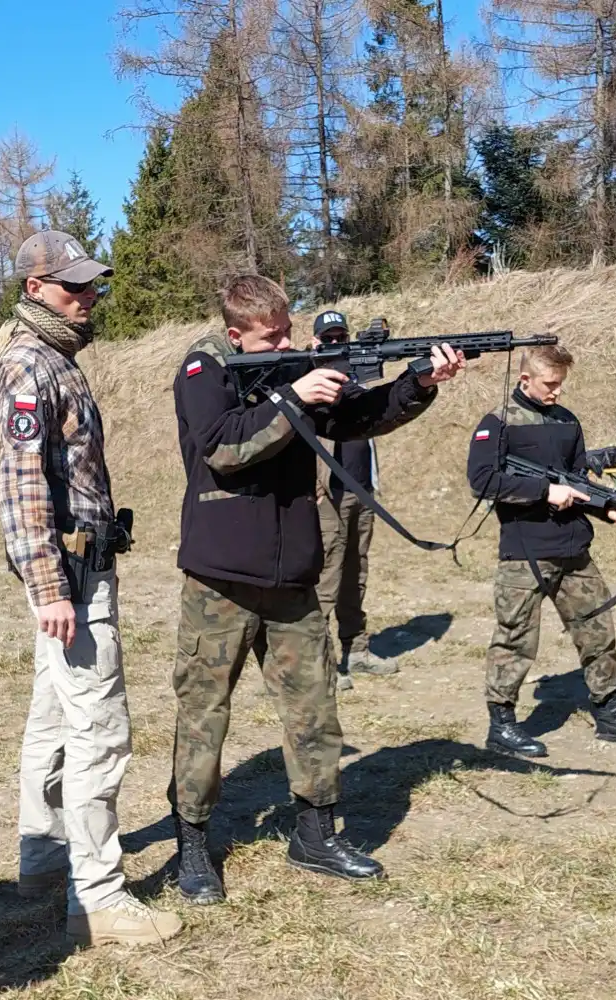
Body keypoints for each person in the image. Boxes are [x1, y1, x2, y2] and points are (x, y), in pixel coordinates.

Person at [168, 275, 465, 905]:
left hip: (294, 577)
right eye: (269, 338)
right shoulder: (204, 369)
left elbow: (357, 418)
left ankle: (316, 834)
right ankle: (193, 845)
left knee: (314, 710)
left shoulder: (293, 370)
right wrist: (293, 397)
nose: (284, 345)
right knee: (203, 715)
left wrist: (417, 384)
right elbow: (223, 448)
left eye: (287, 333)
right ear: (235, 334)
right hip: (221, 576)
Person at [0, 231, 182, 948]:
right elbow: (22, 491)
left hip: (73, 572)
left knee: (53, 717)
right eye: (73, 286)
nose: (89, 297)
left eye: (93, 285)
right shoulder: (28, 366)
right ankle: (98, 897)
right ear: (35, 288)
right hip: (69, 576)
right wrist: (51, 587)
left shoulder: (52, 357)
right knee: (100, 729)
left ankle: (41, 860)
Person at [467, 343, 616, 758]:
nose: (557, 393)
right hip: (524, 551)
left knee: (598, 632)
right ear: (524, 378)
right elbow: (482, 481)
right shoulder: (498, 423)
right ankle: (503, 724)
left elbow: (579, 484)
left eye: (561, 384)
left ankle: (611, 713)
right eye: (550, 384)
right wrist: (544, 491)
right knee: (515, 639)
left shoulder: (567, 421)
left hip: (573, 548)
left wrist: (613, 511)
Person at [311, 310, 399, 691]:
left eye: (340, 337)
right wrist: (314, 359)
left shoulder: (359, 375)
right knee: (326, 577)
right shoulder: (309, 378)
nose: (335, 344)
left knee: (356, 573)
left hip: (362, 489)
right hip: (328, 493)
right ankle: (320, 661)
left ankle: (357, 649)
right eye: (327, 339)